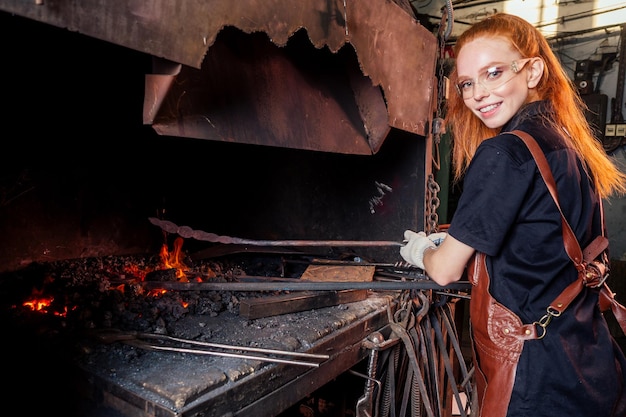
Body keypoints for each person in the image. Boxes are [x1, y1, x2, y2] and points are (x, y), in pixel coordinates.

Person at [399, 12, 626, 417]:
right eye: (467, 83)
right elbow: (540, 240)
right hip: (589, 362)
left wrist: (421, 252)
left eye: (494, 73)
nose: (477, 94)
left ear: (533, 70)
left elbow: (445, 271)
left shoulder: (506, 151)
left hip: (534, 378)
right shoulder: (568, 145)